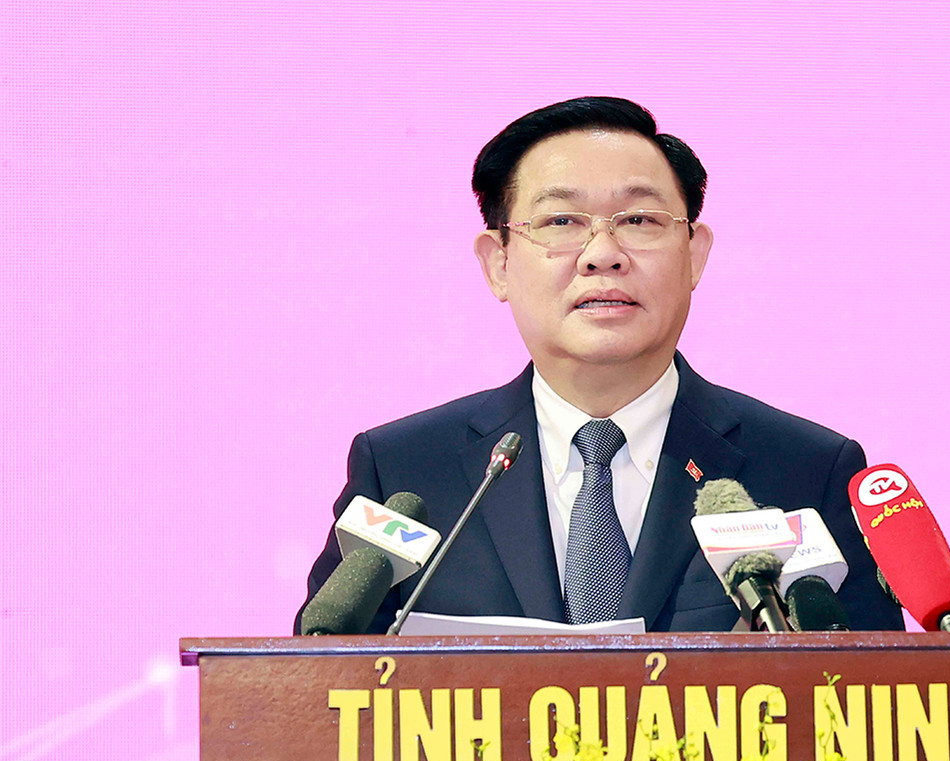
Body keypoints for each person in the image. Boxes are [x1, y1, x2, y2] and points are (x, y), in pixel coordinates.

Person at [295, 97, 903, 634]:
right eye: (561, 221)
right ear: (498, 263)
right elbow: (317, 687)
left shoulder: (807, 472)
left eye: (639, 221)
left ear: (694, 255)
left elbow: (876, 695)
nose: (603, 254)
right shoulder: (405, 472)